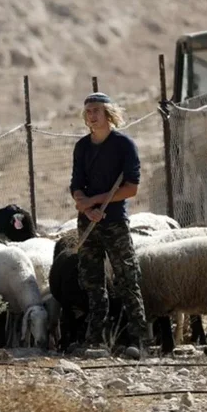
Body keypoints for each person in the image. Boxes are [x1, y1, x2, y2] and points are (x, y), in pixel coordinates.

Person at [69, 91, 150, 350]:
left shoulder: (123, 145)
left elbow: (131, 187)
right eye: (88, 111)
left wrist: (96, 201)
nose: (92, 116)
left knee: (127, 280)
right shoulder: (82, 147)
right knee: (92, 284)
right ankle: (95, 341)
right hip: (88, 223)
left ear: (108, 114)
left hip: (114, 221)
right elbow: (76, 186)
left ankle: (139, 341)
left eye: (96, 110)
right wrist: (84, 204)